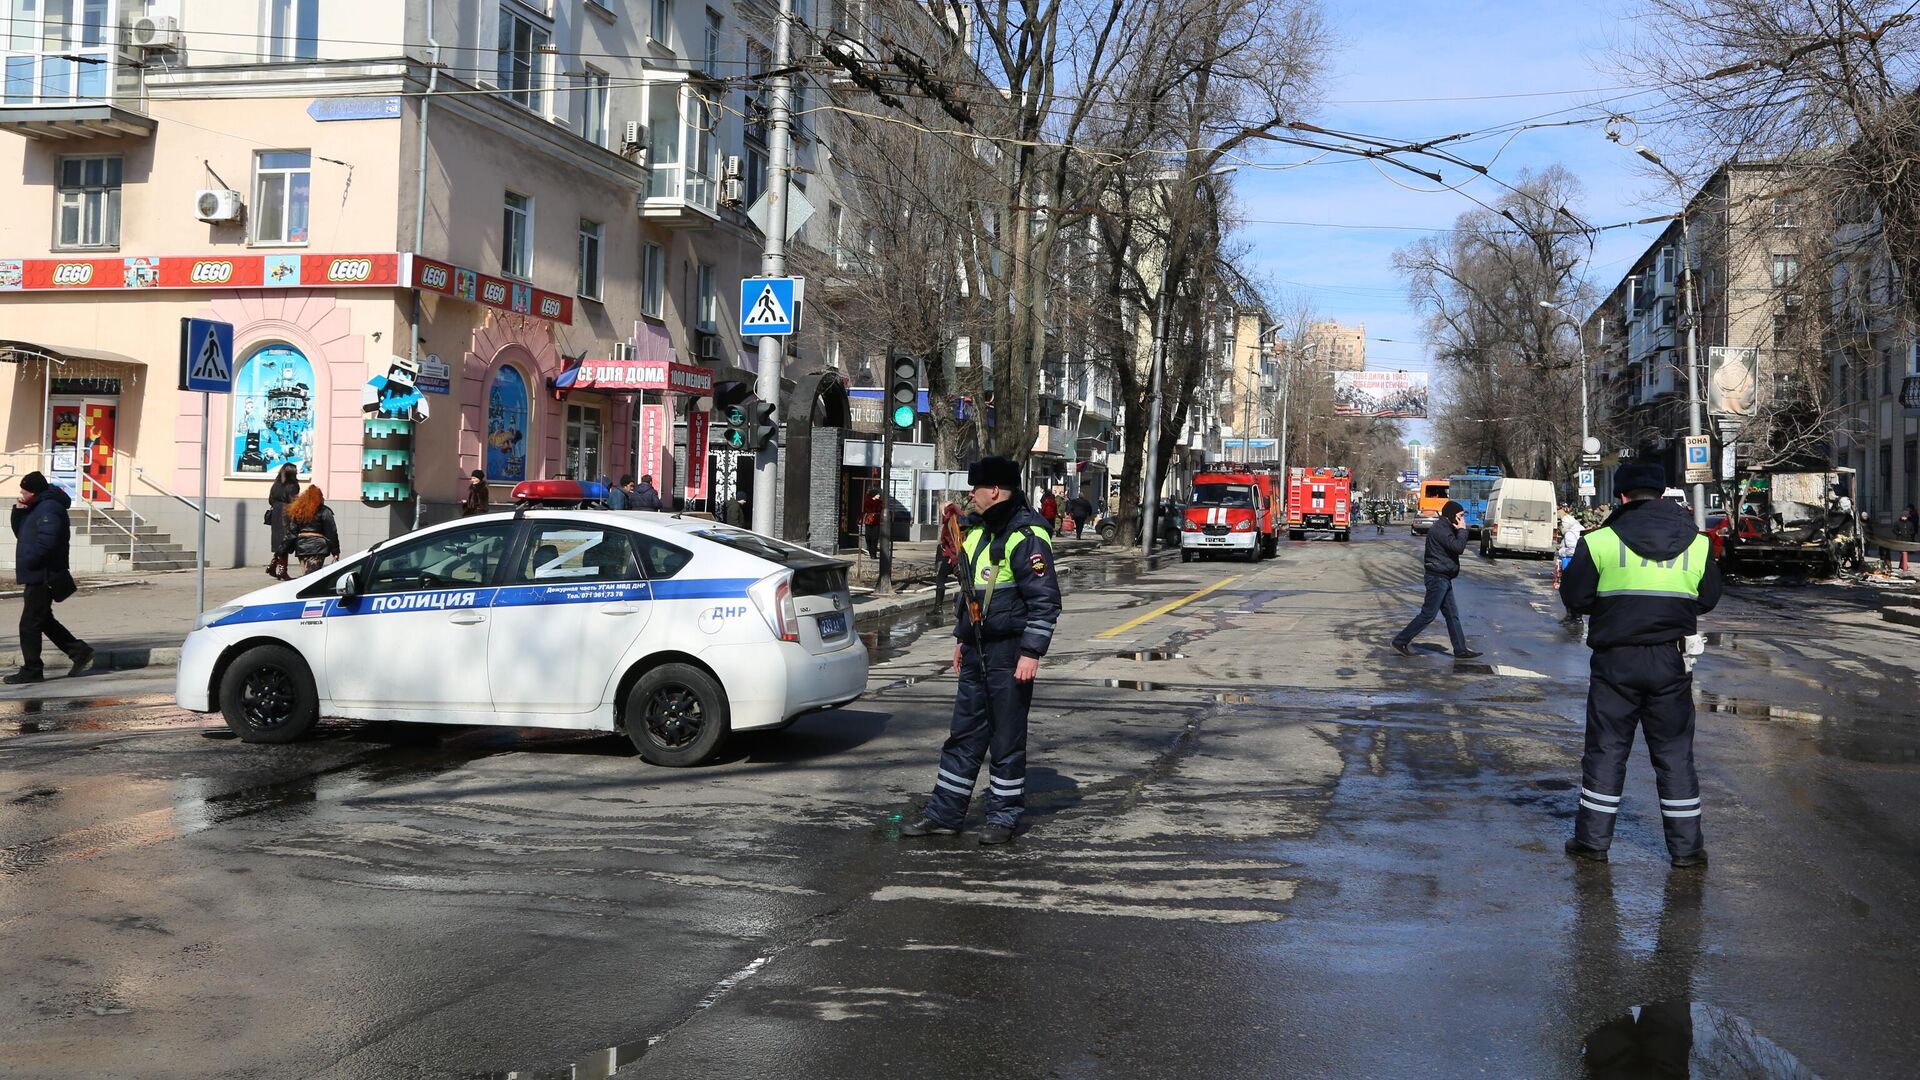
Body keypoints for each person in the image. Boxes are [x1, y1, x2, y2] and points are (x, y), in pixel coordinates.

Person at [1560, 463, 1722, 869]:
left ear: (1622, 497)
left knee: (1607, 750)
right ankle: (1687, 851)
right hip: (1672, 660)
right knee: (1674, 754)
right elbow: (1708, 598)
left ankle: (1592, 842)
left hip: (1615, 661)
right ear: (1663, 492)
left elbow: (1574, 599)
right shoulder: (1697, 542)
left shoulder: (1600, 541)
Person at [901, 456, 1061, 845]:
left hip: (1010, 652)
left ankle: (1003, 817)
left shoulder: (1027, 537)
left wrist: (1031, 653)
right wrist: (961, 640)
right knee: (964, 735)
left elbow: (1045, 602)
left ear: (995, 491)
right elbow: (969, 597)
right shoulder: (976, 531)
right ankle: (945, 814)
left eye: (976, 488)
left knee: (1006, 737)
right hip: (977, 650)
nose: (970, 494)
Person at [7, 472, 92, 684]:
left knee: (29, 623)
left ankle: (32, 669)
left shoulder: (50, 508)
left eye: (24, 490)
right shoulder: (38, 506)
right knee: (42, 619)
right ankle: (79, 651)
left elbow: (47, 542)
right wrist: (18, 511)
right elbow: (22, 533)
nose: (21, 493)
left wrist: (30, 560)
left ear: (34, 491)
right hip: (38, 572)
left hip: (44, 574)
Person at [1390, 499, 1481, 659]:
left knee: (1452, 615)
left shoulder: (1446, 527)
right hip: (1437, 578)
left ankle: (1460, 649)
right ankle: (1400, 640)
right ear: (1453, 515)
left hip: (1444, 577)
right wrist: (1462, 530)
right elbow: (1458, 547)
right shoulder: (1440, 529)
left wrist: (1459, 529)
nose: (1462, 520)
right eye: (1460, 516)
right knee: (1428, 614)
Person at [278, 485, 341, 577]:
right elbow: (331, 532)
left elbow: (291, 533)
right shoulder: (324, 511)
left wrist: (282, 549)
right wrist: (335, 551)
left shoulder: (299, 511)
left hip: (302, 547)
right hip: (318, 548)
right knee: (312, 578)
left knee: (306, 576)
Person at [265, 463, 300, 580]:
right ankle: (282, 571)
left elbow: (270, 500)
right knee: (286, 542)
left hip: (276, 513)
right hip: (286, 514)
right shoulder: (293, 485)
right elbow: (293, 501)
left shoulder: (275, 485)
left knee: (279, 542)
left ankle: (273, 565)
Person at [933, 498, 964, 609]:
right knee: (963, 580)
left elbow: (952, 541)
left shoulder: (950, 521)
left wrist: (953, 556)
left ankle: (938, 608)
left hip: (954, 555)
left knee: (941, 578)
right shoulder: (959, 517)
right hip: (957, 554)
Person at [1554, 505, 1583, 590]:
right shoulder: (1579, 528)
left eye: (1561, 525)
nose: (1560, 527)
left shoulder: (1570, 534)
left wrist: (1561, 552)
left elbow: (1572, 550)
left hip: (1571, 562)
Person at [861, 486, 885, 557]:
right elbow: (866, 509)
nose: (879, 495)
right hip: (869, 520)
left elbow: (880, 510)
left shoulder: (880, 502)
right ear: (874, 495)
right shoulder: (867, 501)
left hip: (876, 521)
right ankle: (870, 549)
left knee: (875, 538)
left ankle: (873, 554)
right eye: (878, 494)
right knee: (868, 537)